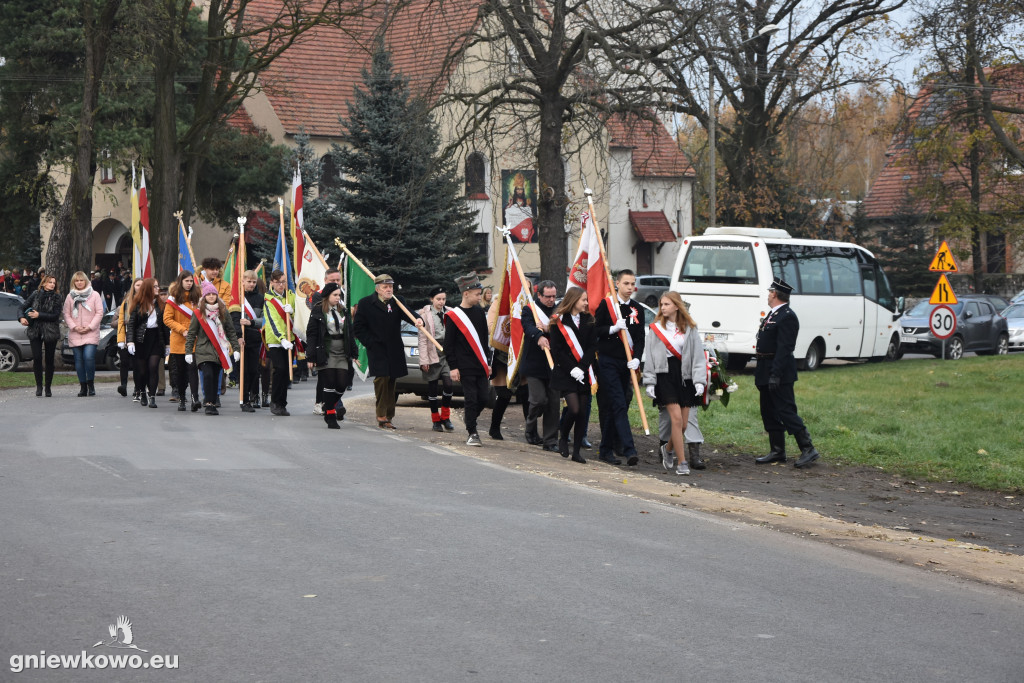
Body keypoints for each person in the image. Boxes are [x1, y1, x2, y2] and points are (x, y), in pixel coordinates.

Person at [754, 277, 821, 468]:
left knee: (785, 410)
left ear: (774, 294)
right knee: (768, 411)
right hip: (765, 368)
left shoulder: (787, 316)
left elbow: (785, 348)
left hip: (779, 370)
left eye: (769, 292)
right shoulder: (773, 314)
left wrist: (775, 374)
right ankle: (777, 450)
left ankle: (808, 448)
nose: (768, 295)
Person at [642, 291, 707, 476]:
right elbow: (651, 358)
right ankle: (682, 462)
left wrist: (700, 380)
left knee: (684, 424)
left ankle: (668, 449)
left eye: (666, 304)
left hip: (685, 377)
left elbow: (698, 357)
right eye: (661, 305)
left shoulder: (690, 328)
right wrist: (650, 382)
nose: (662, 308)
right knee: (676, 420)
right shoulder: (655, 329)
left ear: (677, 306)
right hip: (665, 376)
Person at [352, 273, 424, 429]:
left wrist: (418, 320)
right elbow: (358, 328)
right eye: (385, 287)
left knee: (392, 381)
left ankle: (389, 416)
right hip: (377, 348)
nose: (389, 290)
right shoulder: (365, 303)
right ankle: (381, 414)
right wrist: (370, 342)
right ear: (378, 289)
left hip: (394, 348)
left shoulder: (398, 302)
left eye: (390, 286)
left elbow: (410, 314)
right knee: (381, 378)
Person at [593, 269, 646, 466]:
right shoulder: (607, 305)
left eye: (633, 284)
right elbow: (596, 330)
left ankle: (605, 449)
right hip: (608, 361)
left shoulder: (637, 308)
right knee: (619, 403)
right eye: (626, 284)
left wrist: (638, 358)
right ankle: (629, 448)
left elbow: (640, 338)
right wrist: (612, 329)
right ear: (617, 284)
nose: (630, 288)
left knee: (619, 403)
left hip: (627, 362)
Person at [548, 287, 597, 463]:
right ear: (574, 300)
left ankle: (576, 452)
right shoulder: (558, 321)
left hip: (583, 372)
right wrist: (572, 369)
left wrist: (582, 367)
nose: (586, 303)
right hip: (566, 372)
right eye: (583, 300)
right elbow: (557, 350)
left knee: (582, 413)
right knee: (574, 409)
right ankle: (563, 436)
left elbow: (592, 346)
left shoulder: (589, 319)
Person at [444, 273, 492, 446]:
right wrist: (453, 367)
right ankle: (472, 432)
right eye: (477, 294)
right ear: (466, 293)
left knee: (484, 398)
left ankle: (469, 418)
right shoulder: (454, 316)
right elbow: (448, 345)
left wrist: (488, 362)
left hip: (480, 363)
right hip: (464, 365)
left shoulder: (479, 312)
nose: (480, 297)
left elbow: (484, 341)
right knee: (471, 398)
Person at [305, 282, 357, 429]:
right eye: (335, 295)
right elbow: (312, 333)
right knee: (329, 383)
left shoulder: (343, 310)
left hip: (342, 350)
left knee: (342, 383)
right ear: (327, 296)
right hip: (326, 350)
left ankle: (328, 406)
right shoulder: (318, 310)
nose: (337, 298)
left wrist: (354, 352)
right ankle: (330, 414)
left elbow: (350, 332)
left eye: (339, 295)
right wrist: (311, 355)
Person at [185, 281, 240, 415]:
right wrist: (188, 352)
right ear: (204, 297)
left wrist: (236, 348)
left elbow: (231, 331)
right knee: (208, 374)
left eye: (213, 294)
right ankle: (208, 403)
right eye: (208, 294)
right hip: (203, 350)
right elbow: (192, 333)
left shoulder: (223, 312)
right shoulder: (198, 313)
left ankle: (213, 401)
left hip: (219, 349)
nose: (210, 296)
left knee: (216, 376)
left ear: (216, 295)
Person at [521, 280, 560, 452]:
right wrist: (539, 336)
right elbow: (527, 327)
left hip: (554, 364)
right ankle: (530, 426)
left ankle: (550, 441)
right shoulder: (530, 309)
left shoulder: (558, 310)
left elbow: (563, 330)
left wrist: (548, 329)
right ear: (539, 295)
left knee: (553, 403)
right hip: (534, 363)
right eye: (548, 297)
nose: (551, 300)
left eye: (554, 296)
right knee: (538, 400)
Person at [126, 277, 168, 408]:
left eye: (158, 286)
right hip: (141, 339)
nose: (157, 289)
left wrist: (167, 344)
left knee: (153, 367)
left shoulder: (161, 304)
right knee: (142, 371)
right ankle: (142, 392)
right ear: (148, 288)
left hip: (156, 338)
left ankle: (152, 396)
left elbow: (165, 326)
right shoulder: (138, 303)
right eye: (154, 287)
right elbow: (132, 324)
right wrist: (130, 342)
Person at [416, 287, 454, 432]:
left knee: (448, 384)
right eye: (438, 299)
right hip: (433, 352)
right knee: (432, 388)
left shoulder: (450, 312)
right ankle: (435, 419)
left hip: (447, 353)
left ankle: (445, 416)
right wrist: (423, 360)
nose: (441, 302)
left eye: (443, 299)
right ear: (432, 299)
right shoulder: (425, 315)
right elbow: (422, 339)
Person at [18, 274, 62, 397]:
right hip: (35, 330)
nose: (52, 284)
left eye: (54, 283)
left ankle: (48, 387)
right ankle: (39, 386)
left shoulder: (57, 297)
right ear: (43, 283)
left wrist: (39, 315)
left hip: (50, 330)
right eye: (50, 282)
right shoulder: (35, 294)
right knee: (37, 357)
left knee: (49, 359)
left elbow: (55, 315)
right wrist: (21, 317)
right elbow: (22, 307)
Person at [164, 271, 202, 413]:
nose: (189, 283)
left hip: (193, 339)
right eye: (186, 281)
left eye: (191, 281)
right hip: (178, 339)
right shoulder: (173, 299)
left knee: (192, 369)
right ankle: (181, 397)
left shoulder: (197, 298)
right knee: (180, 372)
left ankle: (195, 398)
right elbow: (167, 319)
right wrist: (182, 329)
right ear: (180, 282)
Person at [62, 271, 104, 397]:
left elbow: (99, 312)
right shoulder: (70, 296)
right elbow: (66, 314)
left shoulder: (94, 295)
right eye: (76, 280)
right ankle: (83, 386)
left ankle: (91, 383)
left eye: (81, 280)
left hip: (90, 332)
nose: (79, 283)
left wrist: (90, 327)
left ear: (86, 280)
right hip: (76, 333)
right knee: (78, 360)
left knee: (88, 357)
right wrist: (75, 327)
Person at [263, 269, 297, 416]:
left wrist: (293, 311)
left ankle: (282, 403)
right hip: (276, 341)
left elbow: (299, 317)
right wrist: (282, 338)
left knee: (286, 374)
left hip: (290, 339)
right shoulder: (269, 300)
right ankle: (275, 401)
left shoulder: (290, 296)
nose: (281, 285)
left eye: (283, 282)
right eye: (278, 282)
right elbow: (272, 321)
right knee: (280, 369)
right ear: (272, 283)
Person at [232, 269, 266, 412]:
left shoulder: (260, 298)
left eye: (253, 282)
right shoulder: (237, 298)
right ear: (243, 282)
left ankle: (253, 395)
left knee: (253, 370)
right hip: (241, 340)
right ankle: (244, 400)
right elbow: (234, 319)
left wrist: (251, 322)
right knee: (243, 372)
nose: (251, 284)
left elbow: (263, 319)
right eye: (249, 282)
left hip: (255, 338)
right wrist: (238, 336)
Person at [309, 267, 342, 415]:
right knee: (325, 375)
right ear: (325, 281)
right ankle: (322, 403)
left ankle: (332, 404)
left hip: (340, 345)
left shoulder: (342, 295)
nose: (336, 282)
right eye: (332, 280)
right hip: (324, 343)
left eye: (338, 280)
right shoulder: (319, 296)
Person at [116, 278, 143, 398]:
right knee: (124, 362)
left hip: (140, 336)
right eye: (137, 285)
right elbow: (121, 320)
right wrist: (121, 339)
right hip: (127, 335)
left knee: (137, 363)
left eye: (142, 285)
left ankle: (138, 387)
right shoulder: (126, 302)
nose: (139, 287)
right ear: (133, 287)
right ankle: (123, 385)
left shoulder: (146, 300)